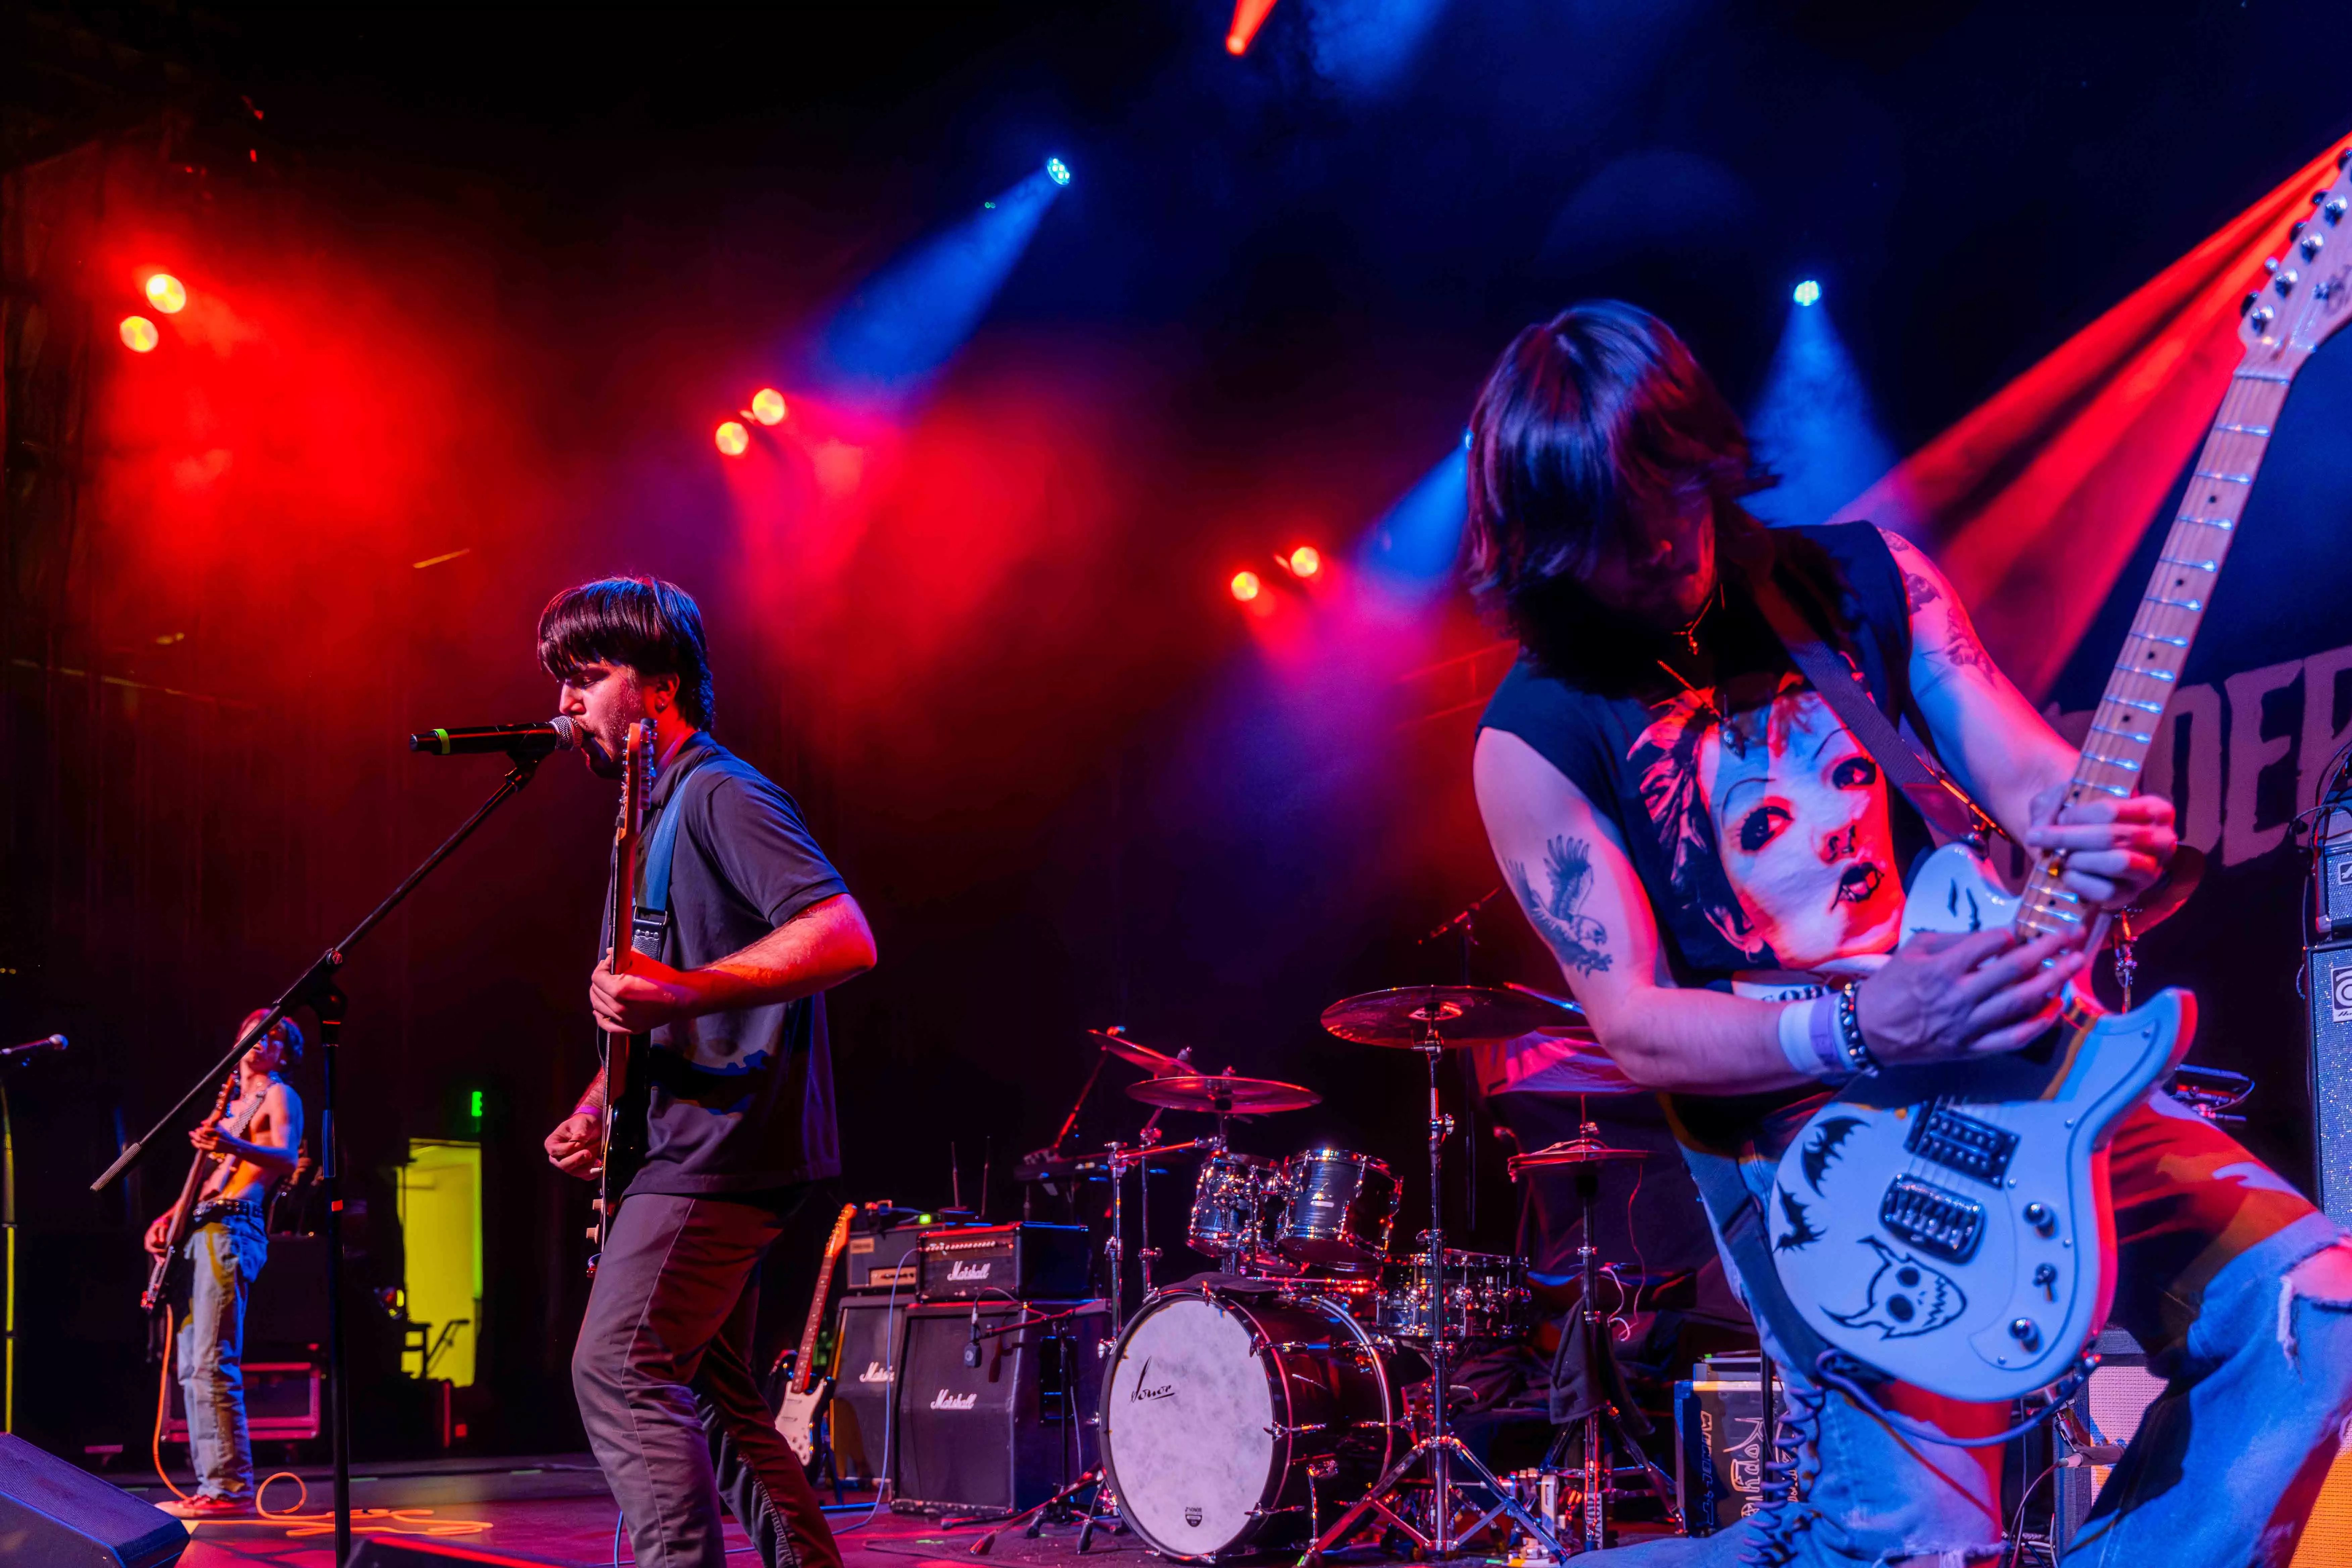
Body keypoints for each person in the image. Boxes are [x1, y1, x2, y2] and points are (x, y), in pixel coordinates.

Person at [1466, 301, 2352, 1565]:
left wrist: (2092, 831)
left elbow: (2037, 785)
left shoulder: (1861, 582)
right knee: (1912, 1546)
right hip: (1806, 1127)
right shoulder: (1535, 736)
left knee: (2311, 1306)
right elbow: (1637, 1028)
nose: (1658, 543)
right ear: (1549, 548)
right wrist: (1863, 1021)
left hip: (2022, 1067)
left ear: (1705, 458)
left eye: (1669, 496)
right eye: (1610, 535)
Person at [538, 576, 876, 1568]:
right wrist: (604, 1100)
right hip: (677, 1142)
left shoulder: (722, 792)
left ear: (659, 689)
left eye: (586, 678)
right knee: (720, 1401)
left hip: (722, 1150)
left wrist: (682, 994)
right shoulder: (648, 818)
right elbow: (653, 987)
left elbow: (845, 935)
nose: (564, 703)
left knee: (620, 1366)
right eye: (560, 679)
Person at [143, 1010, 305, 1520]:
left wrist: (231, 1143)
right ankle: (213, 1485)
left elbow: (286, 1155)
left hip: (234, 1228)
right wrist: (170, 1218)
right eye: (252, 1034)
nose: (259, 1043)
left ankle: (230, 1488)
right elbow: (213, 1178)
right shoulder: (234, 1106)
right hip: (203, 1226)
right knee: (193, 1366)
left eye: (273, 1037)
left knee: (213, 1361)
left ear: (284, 1052)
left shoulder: (279, 1095)